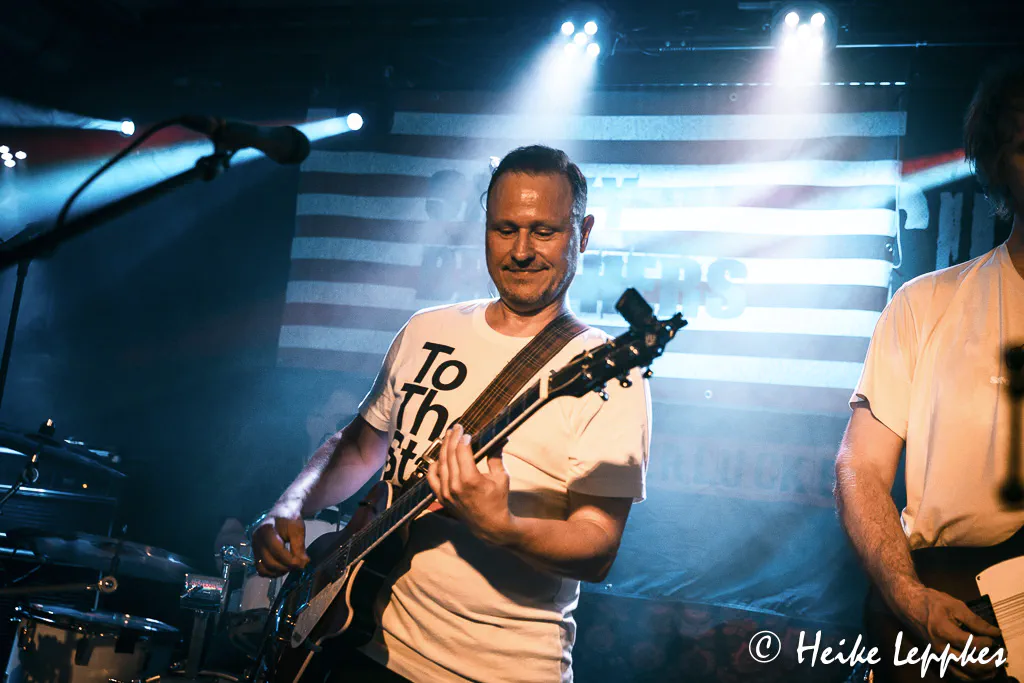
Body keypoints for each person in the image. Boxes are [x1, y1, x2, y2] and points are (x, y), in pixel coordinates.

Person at [252, 145, 651, 682]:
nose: (521, 251)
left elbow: (597, 545)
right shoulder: (427, 329)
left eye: (544, 232)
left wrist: (503, 526)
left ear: (582, 234)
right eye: (504, 229)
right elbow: (360, 445)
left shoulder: (604, 372)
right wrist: (290, 505)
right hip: (359, 642)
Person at [835, 60, 1024, 680]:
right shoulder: (925, 304)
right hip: (954, 605)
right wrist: (909, 597)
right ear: (996, 163)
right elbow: (860, 467)